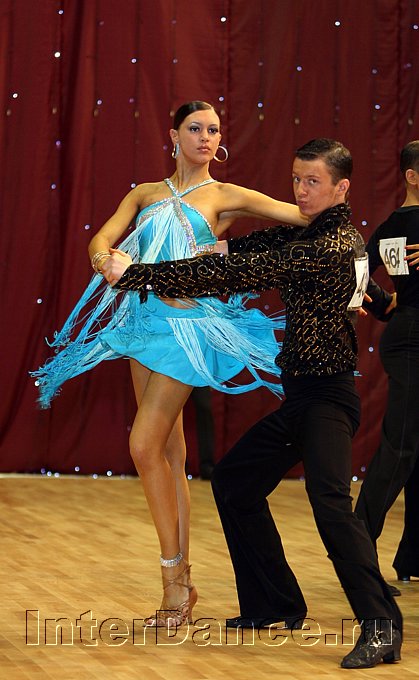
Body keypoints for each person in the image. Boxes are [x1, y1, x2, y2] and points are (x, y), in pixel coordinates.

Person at [106, 138, 403, 669]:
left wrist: (137, 275)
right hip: (301, 398)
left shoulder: (330, 245)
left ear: (342, 187)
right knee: (235, 482)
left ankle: (382, 628)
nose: (301, 191)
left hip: (328, 399)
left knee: (330, 506)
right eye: (296, 180)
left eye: (313, 182)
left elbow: (236, 275)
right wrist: (384, 303)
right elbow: (244, 253)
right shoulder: (319, 235)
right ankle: (274, 603)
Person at [31, 101, 308, 628]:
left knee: (143, 444)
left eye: (214, 130)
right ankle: (182, 582)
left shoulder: (226, 195)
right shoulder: (145, 193)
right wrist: (107, 262)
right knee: (169, 453)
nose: (206, 137)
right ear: (174, 135)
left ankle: (173, 581)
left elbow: (301, 216)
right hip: (141, 324)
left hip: (189, 328)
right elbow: (100, 239)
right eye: (196, 128)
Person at [355, 140, 419, 584]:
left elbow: (358, 275)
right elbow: (355, 274)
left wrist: (385, 304)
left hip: (405, 332)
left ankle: (413, 557)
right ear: (411, 176)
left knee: (412, 447)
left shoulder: (390, 226)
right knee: (400, 447)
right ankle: (356, 553)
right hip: (414, 338)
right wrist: (393, 305)